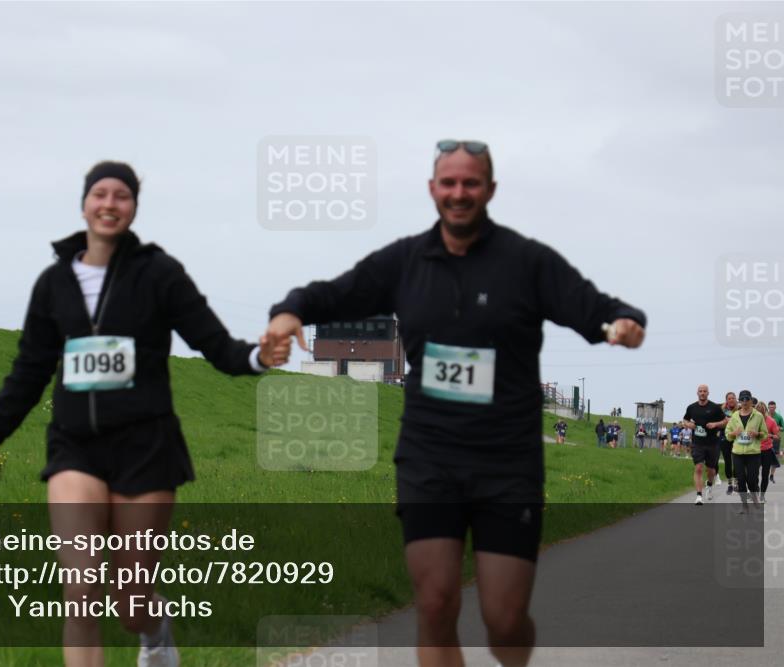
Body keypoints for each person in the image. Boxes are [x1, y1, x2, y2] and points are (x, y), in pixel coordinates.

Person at [263, 139, 646, 667]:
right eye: (449, 183)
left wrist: (625, 322)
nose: (459, 193)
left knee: (504, 620)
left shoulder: (526, 262)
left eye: (470, 183)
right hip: (429, 456)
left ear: (489, 190)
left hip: (507, 462)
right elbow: (331, 292)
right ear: (432, 189)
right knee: (436, 603)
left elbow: (593, 307)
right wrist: (288, 313)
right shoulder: (405, 262)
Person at [0, 161, 290, 667]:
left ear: (134, 207)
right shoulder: (53, 283)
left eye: (122, 195)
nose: (110, 203)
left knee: (131, 600)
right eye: (100, 194)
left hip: (146, 449)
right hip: (75, 448)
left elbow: (215, 345)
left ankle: (155, 634)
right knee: (81, 590)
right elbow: (27, 373)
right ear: (84, 204)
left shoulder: (159, 274)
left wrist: (260, 357)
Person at [726, 390, 770, 513]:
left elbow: (765, 434)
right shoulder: (734, 416)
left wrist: (757, 434)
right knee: (740, 480)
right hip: (738, 453)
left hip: (753, 453)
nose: (745, 402)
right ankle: (744, 505)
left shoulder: (758, 416)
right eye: (742, 399)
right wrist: (734, 433)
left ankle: (755, 497)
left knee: (752, 480)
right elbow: (727, 433)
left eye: (747, 399)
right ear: (740, 401)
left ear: (751, 400)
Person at [683, 385, 728, 505]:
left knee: (711, 470)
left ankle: (709, 485)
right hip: (698, 443)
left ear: (708, 393)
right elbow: (685, 420)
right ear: (697, 393)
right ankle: (699, 496)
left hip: (712, 443)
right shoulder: (691, 407)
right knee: (698, 467)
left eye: (704, 391)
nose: (702, 393)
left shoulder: (714, 408)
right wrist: (689, 424)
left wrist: (716, 424)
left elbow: (725, 421)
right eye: (700, 391)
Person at [757, 401, 781, 502]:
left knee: (765, 474)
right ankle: (756, 491)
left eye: (762, 412)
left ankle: (762, 495)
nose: (760, 414)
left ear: (765, 411)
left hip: (766, 450)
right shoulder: (752, 420)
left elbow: (777, 436)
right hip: (754, 451)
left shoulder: (771, 421)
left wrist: (770, 435)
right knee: (752, 474)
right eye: (758, 412)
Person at [718, 392, 738, 495]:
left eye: (733, 398)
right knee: (727, 461)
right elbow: (719, 423)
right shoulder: (722, 410)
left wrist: (729, 421)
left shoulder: (740, 410)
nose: (731, 400)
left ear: (736, 399)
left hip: (737, 438)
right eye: (729, 398)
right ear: (726, 400)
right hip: (724, 437)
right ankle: (730, 484)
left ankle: (736, 481)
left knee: (737, 460)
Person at [769, 400, 783, 483]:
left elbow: (783, 427)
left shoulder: (779, 417)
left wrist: (779, 428)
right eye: (770, 407)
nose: (771, 409)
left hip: (776, 439)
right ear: (768, 408)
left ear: (775, 408)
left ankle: (772, 475)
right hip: (766, 439)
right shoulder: (765, 416)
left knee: (775, 456)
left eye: (773, 407)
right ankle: (765, 473)